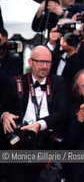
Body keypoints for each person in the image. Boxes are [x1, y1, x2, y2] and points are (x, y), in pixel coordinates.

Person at [1, 45, 67, 181]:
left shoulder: (57, 82)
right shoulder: (16, 82)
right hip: (21, 146)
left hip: (48, 144)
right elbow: (2, 107)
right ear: (30, 62)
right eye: (40, 62)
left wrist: (39, 125)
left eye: (48, 62)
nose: (44, 66)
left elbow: (62, 112)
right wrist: (4, 115)